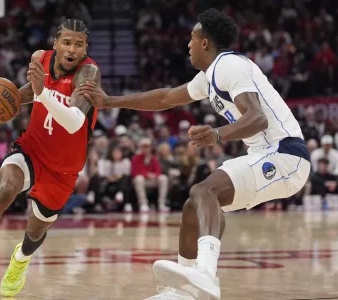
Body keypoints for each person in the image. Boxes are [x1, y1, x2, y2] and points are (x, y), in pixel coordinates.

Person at [76, 9, 311, 300]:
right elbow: (165, 98)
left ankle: (206, 276)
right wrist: (110, 101)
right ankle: (185, 291)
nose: (188, 44)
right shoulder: (208, 77)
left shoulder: (230, 65)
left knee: (205, 191)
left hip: (286, 153)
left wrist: (217, 134)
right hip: (268, 154)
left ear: (205, 43)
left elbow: (258, 118)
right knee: (192, 206)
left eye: (192, 38)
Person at [0, 19, 101, 300]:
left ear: (85, 48)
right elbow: (27, 94)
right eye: (67, 42)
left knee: (35, 232)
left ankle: (21, 259)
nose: (72, 48)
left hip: (63, 168)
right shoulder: (40, 59)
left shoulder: (89, 73)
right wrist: (2, 100)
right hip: (32, 148)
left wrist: (42, 92)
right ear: (55, 44)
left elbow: (74, 121)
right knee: (3, 192)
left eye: (79, 44)